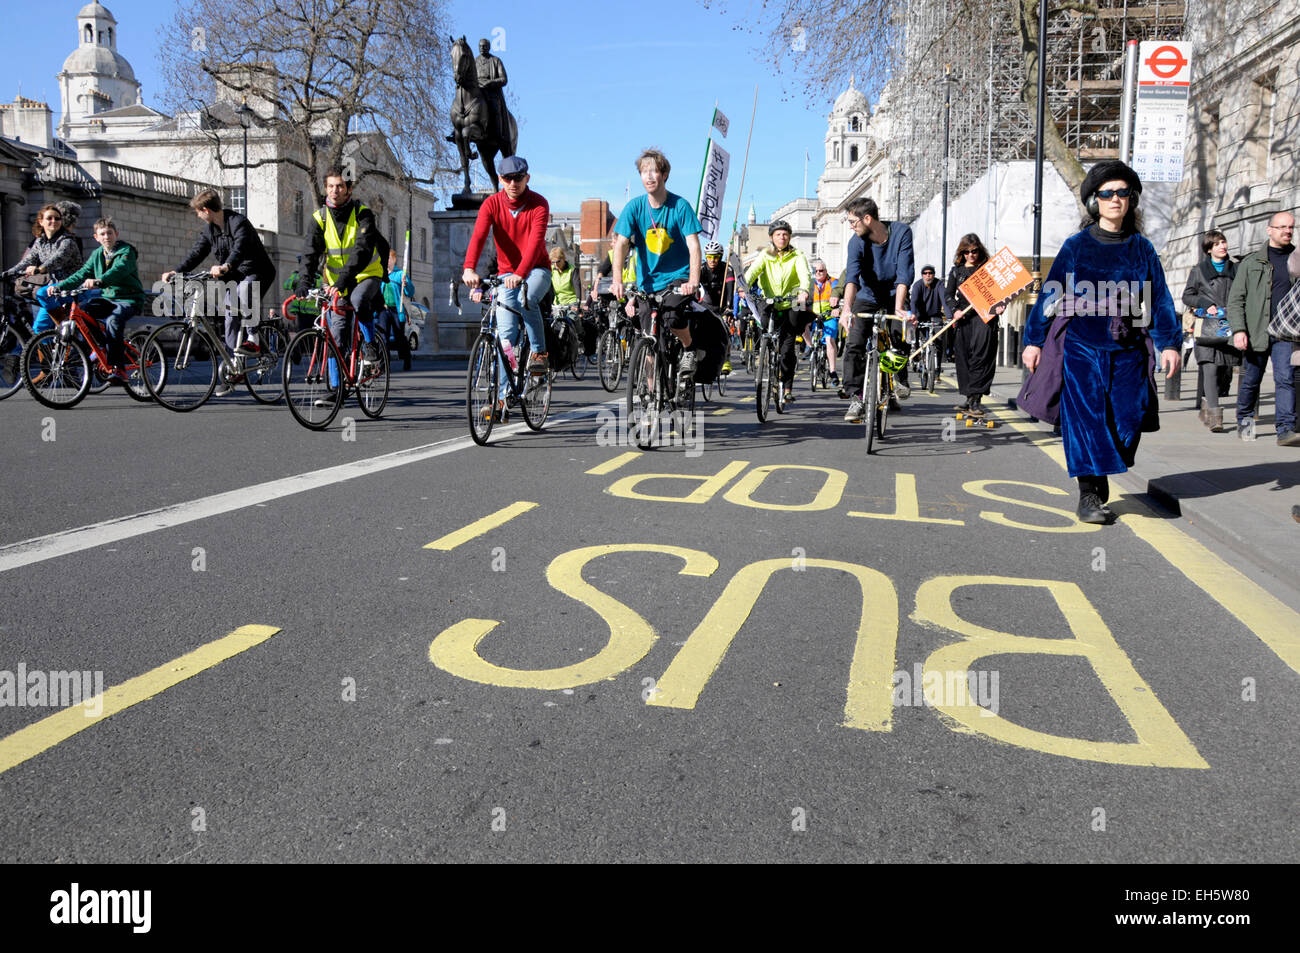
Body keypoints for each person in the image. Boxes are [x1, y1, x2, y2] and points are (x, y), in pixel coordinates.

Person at [1020, 159, 1181, 524]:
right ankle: (1090, 494)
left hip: (1128, 350)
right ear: (1094, 201)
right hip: (1082, 346)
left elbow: (1158, 300)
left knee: (1129, 418)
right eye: (1107, 193)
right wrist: (1033, 340)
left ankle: (1102, 473)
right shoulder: (1076, 246)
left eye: (1123, 192)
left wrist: (1169, 342)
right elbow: (1051, 293)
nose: (1115, 199)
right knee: (1086, 420)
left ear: (1132, 199)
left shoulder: (1142, 248)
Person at [612, 148, 724, 385]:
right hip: (647, 283)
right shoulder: (634, 207)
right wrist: (617, 281)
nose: (649, 176)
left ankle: (689, 347)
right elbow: (621, 243)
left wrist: (693, 280)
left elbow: (694, 245)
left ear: (664, 175)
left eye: (654, 171)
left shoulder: (680, 206)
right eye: (644, 172)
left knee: (672, 317)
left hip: (677, 279)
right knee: (651, 340)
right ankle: (652, 398)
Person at [162, 188, 277, 396]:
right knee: (229, 316)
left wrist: (226, 266)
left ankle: (254, 340)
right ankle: (235, 368)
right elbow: (197, 252)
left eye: (198, 212)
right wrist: (176, 271)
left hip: (256, 271)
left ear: (206, 209)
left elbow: (239, 248)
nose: (198, 216)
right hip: (233, 275)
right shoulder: (209, 230)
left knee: (245, 292)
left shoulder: (238, 222)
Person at [463, 154, 551, 394]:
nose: (513, 183)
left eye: (518, 178)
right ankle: (502, 396)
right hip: (507, 274)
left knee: (528, 298)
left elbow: (534, 244)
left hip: (536, 270)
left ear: (527, 178)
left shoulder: (539, 204)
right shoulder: (491, 204)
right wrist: (469, 268)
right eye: (508, 178)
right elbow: (479, 237)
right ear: (500, 179)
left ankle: (539, 353)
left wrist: (521, 273)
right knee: (505, 339)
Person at [297, 168, 386, 400]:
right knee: (335, 334)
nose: (335, 191)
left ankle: (369, 345)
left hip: (367, 273)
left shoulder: (363, 213)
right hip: (337, 281)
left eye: (339, 186)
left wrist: (343, 281)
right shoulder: (320, 217)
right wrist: (304, 282)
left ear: (349, 189)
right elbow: (310, 253)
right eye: (330, 187)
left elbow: (363, 250)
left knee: (358, 300)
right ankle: (336, 390)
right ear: (325, 189)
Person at [839, 197, 915, 423]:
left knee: (899, 333)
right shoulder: (856, 242)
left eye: (853, 221)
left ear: (868, 218)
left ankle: (900, 377)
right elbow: (851, 279)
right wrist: (846, 309)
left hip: (894, 294)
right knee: (854, 341)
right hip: (867, 295)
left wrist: (900, 308)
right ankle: (856, 396)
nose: (851, 226)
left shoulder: (901, 232)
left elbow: (904, 273)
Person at [1227, 211, 1298, 446]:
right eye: (1282, 227)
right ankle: (1245, 421)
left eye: (1291, 227)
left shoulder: (1297, 259)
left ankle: (1285, 430)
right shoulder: (1251, 262)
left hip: (1285, 333)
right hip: (1255, 331)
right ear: (1269, 230)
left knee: (1285, 379)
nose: (1287, 231)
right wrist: (1239, 330)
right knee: (1251, 381)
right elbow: (1236, 300)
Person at [47, 218, 145, 383]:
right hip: (108, 298)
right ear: (96, 237)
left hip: (129, 298)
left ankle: (119, 368)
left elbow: (119, 270)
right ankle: (103, 347)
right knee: (84, 311)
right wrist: (60, 286)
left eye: (109, 233)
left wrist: (100, 280)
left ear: (116, 234)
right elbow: (82, 273)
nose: (106, 237)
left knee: (114, 320)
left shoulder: (126, 251)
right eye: (102, 234)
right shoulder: (97, 254)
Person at [745, 220, 813, 403]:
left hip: (792, 302)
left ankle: (787, 387)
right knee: (763, 324)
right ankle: (765, 352)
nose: (782, 237)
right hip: (769, 301)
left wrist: (804, 291)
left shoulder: (797, 255)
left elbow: (804, 274)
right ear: (771, 238)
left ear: (789, 237)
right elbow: (751, 273)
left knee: (787, 347)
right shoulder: (765, 255)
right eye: (778, 234)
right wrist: (743, 287)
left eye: (785, 234)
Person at [1180, 229, 1239, 432]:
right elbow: (1187, 296)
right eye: (1217, 244)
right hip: (1206, 326)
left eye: (1223, 242)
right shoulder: (1198, 270)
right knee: (1210, 369)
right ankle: (1215, 416)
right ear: (1209, 249)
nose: (1222, 246)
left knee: (1225, 371)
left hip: (1229, 325)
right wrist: (1204, 303)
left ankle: (1206, 404)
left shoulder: (1236, 269)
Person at [946, 235, 1004, 416]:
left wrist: (1001, 306)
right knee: (964, 358)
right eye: (967, 252)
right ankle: (969, 397)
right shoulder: (956, 271)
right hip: (964, 318)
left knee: (982, 357)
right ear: (961, 253)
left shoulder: (987, 269)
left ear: (979, 250)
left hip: (985, 317)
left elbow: (1001, 293)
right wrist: (955, 310)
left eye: (974, 251)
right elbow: (948, 295)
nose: (971, 255)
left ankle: (976, 400)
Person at [4, 204, 83, 335]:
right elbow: (27, 260)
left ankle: (66, 327)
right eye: (49, 218)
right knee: (39, 330)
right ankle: (47, 355)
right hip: (54, 290)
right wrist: (8, 273)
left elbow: (57, 259)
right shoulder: (40, 241)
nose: (54, 221)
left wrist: (39, 269)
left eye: (57, 218)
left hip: (73, 286)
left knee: (41, 293)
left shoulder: (67, 241)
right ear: (41, 221)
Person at [378, 249, 415, 372]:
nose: (387, 261)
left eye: (389, 258)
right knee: (383, 337)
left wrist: (406, 283)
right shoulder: (381, 273)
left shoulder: (400, 274)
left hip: (396, 310)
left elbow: (410, 292)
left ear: (394, 260)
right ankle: (384, 364)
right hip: (383, 310)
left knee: (399, 337)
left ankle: (406, 358)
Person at [909, 263, 945, 386]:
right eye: (925, 273)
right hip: (920, 315)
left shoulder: (939, 284)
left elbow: (944, 300)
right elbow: (913, 302)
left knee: (939, 342)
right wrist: (914, 315)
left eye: (930, 273)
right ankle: (918, 356)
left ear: (934, 275)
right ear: (922, 275)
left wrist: (950, 316)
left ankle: (937, 373)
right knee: (919, 338)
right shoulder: (917, 285)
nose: (928, 275)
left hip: (935, 315)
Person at [810, 259, 840, 386]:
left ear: (826, 271)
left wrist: (837, 309)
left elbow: (842, 297)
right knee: (810, 337)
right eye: (816, 271)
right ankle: (811, 349)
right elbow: (800, 300)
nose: (818, 273)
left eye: (821, 270)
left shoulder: (834, 282)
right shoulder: (810, 284)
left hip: (829, 317)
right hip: (815, 317)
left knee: (829, 340)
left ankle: (833, 371)